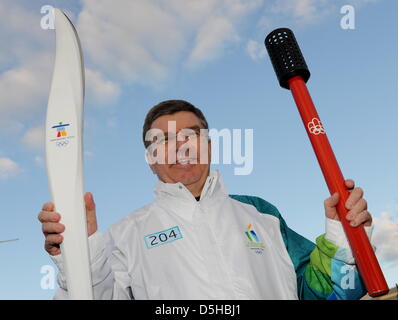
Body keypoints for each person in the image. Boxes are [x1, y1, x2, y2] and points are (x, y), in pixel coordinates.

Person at [38, 100, 374, 299]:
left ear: (209, 146)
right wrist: (80, 258)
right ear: (151, 158)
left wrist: (342, 239)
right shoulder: (123, 236)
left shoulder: (261, 213)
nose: (181, 147)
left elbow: (322, 292)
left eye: (191, 135)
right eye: (164, 140)